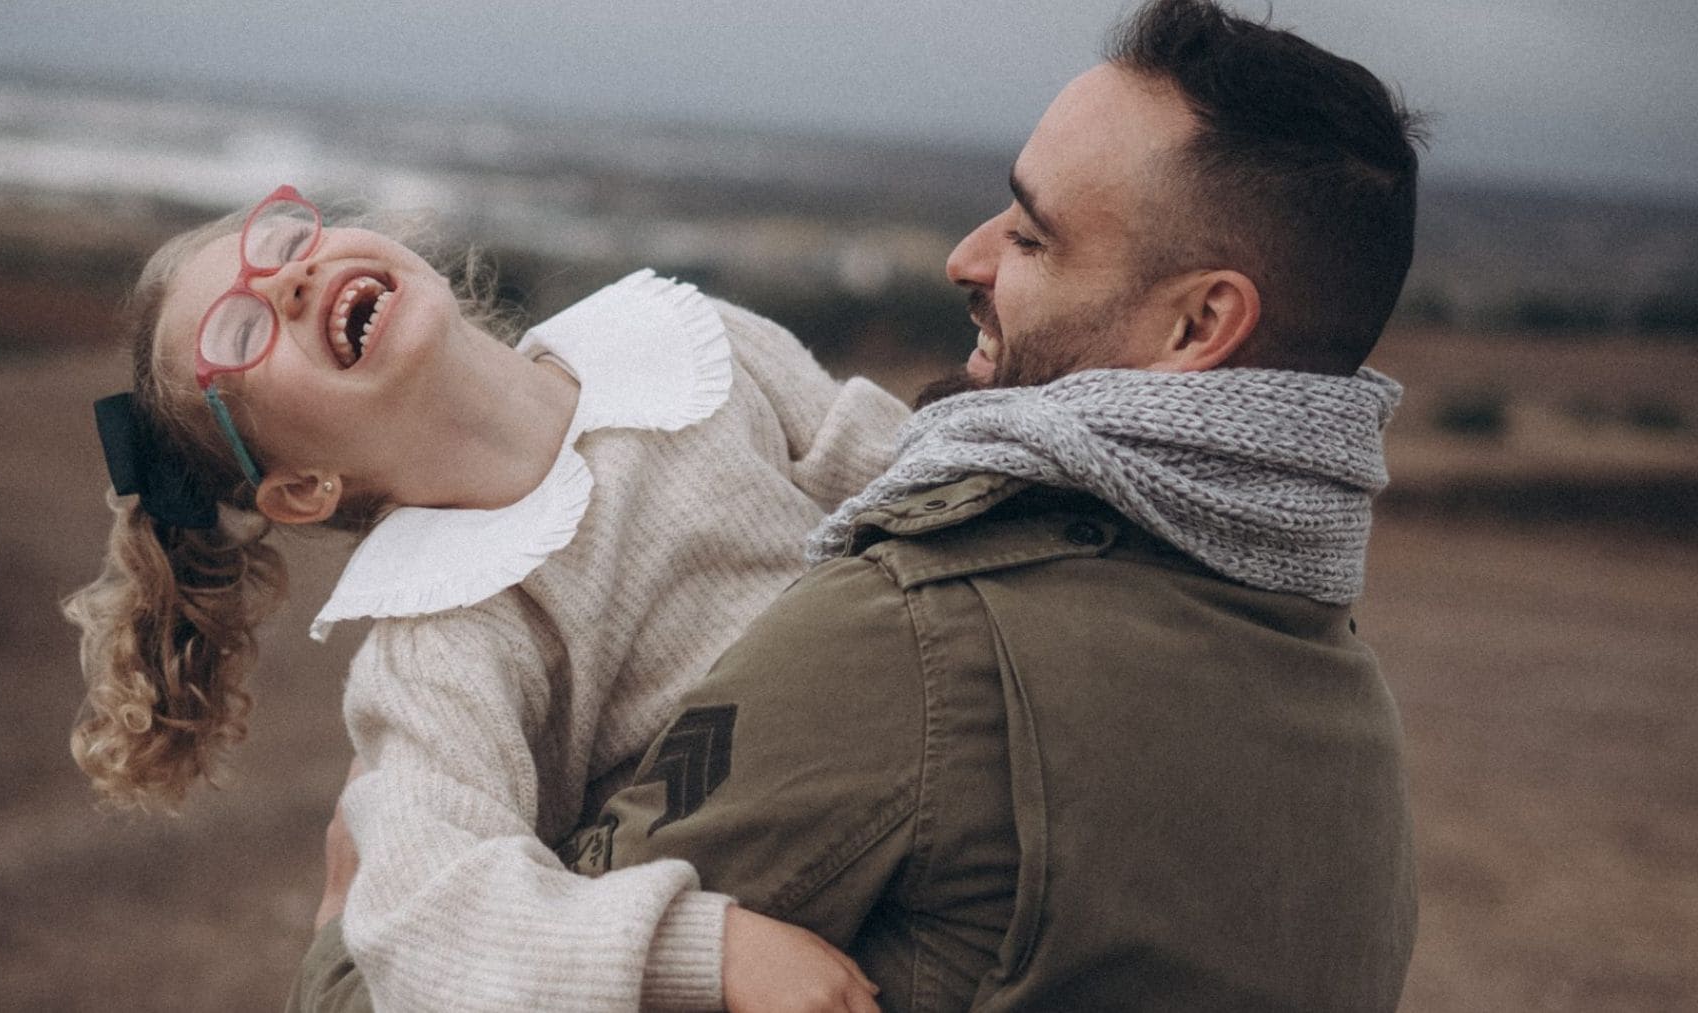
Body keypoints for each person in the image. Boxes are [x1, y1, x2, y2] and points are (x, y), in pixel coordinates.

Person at [563, 0, 1424, 1009]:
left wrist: (367, 885)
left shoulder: (921, 632)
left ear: (1199, 323)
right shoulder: (1350, 714)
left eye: (1030, 234)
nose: (966, 260)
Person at [63, 185, 909, 1010]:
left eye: (285, 242)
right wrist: (699, 949)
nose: (289, 277)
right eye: (241, 332)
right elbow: (433, 921)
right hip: (836, 914)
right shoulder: (443, 642)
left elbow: (909, 483)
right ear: (302, 489)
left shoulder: (685, 342)